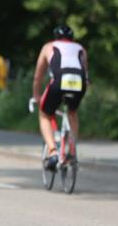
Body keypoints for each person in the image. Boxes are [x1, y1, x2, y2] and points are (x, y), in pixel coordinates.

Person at [29, 24, 89, 171]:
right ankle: (72, 150)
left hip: (60, 80)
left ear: (56, 37)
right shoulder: (81, 48)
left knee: (44, 114)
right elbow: (85, 74)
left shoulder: (48, 46)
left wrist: (36, 95)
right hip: (79, 82)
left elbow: (38, 76)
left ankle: (53, 152)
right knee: (72, 112)